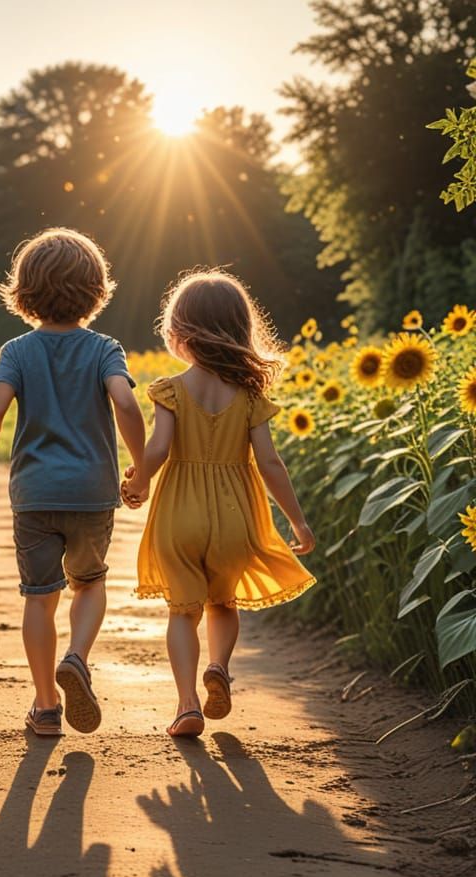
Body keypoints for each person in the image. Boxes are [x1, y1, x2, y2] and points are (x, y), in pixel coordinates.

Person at [122, 269, 316, 738]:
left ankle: (187, 704)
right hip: (236, 516)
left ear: (179, 330)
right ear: (239, 329)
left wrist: (139, 479)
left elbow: (159, 449)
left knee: (182, 611)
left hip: (179, 513)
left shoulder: (170, 389)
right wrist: (298, 522)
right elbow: (270, 463)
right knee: (223, 603)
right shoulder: (251, 395)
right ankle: (220, 669)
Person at [0, 227, 146, 737]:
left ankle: (46, 706)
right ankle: (77, 657)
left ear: (23, 293)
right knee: (89, 584)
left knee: (38, 597)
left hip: (34, 495)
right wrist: (141, 466)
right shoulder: (104, 348)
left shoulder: (18, 351)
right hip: (92, 492)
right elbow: (127, 403)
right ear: (96, 291)